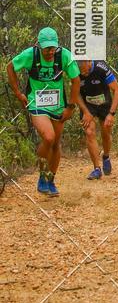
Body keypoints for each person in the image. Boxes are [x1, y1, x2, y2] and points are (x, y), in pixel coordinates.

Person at [7, 27, 80, 196]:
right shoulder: (30, 55)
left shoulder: (64, 55)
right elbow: (10, 67)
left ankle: (51, 179)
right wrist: (18, 93)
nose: (50, 52)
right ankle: (42, 174)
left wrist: (70, 107)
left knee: (55, 144)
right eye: (47, 48)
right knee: (48, 137)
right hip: (37, 103)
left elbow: (76, 81)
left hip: (58, 105)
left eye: (53, 48)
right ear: (39, 46)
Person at [77, 60, 118, 179]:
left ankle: (106, 156)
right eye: (81, 72)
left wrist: (111, 114)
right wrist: (85, 112)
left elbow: (117, 90)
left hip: (104, 103)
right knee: (89, 132)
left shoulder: (101, 68)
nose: (83, 74)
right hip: (88, 104)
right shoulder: (75, 70)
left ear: (88, 62)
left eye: (85, 71)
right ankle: (97, 169)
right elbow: (76, 93)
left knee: (106, 131)